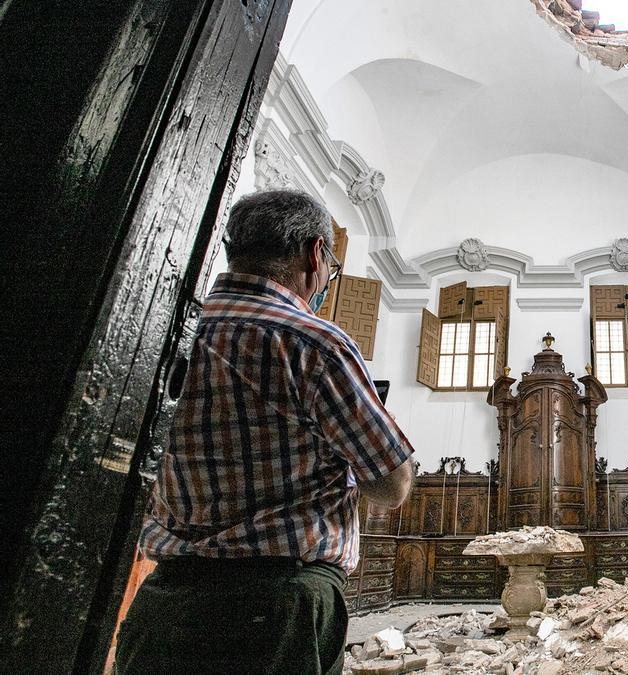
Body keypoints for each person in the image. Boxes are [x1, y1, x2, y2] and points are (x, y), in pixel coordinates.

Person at [115, 189, 414, 674]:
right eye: (332, 269)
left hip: (167, 595)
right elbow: (393, 483)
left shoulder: (165, 328)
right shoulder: (313, 342)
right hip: (279, 606)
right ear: (315, 253)